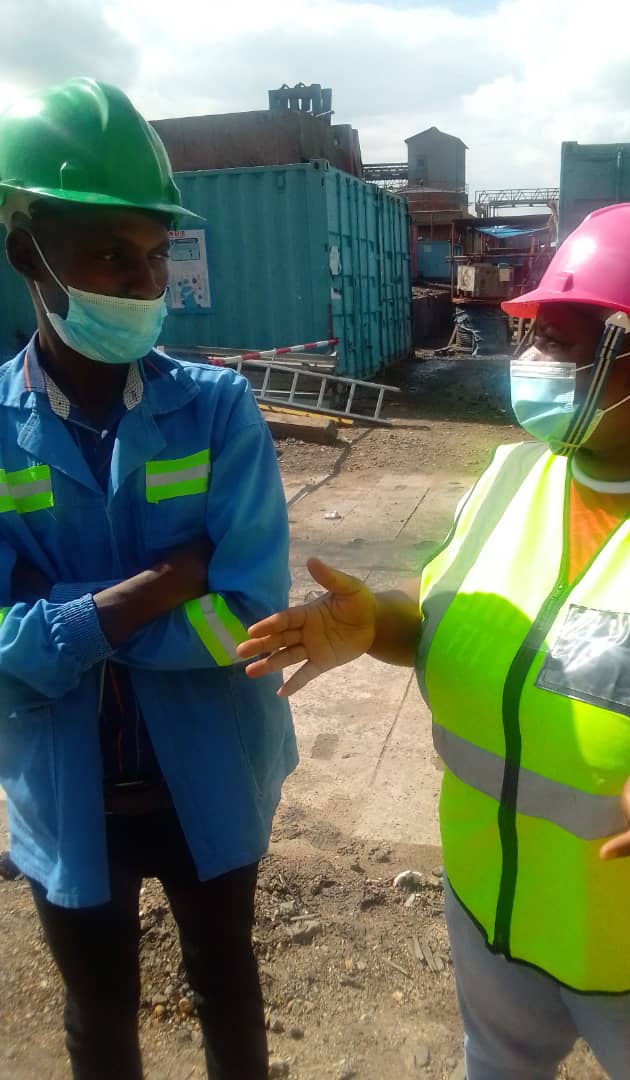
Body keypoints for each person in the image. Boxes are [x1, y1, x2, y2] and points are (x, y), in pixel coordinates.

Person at [238, 202, 630, 1079]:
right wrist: (380, 623)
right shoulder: (510, 478)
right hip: (491, 911)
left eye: (554, 337)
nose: (527, 357)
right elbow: (456, 622)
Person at [0, 78, 296, 1080]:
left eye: (152, 255)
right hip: (63, 783)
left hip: (210, 766)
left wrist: (57, 627)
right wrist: (151, 588)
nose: (137, 280)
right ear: (26, 256)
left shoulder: (218, 410)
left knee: (227, 979)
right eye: (106, 254)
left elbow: (250, 614)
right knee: (99, 1012)